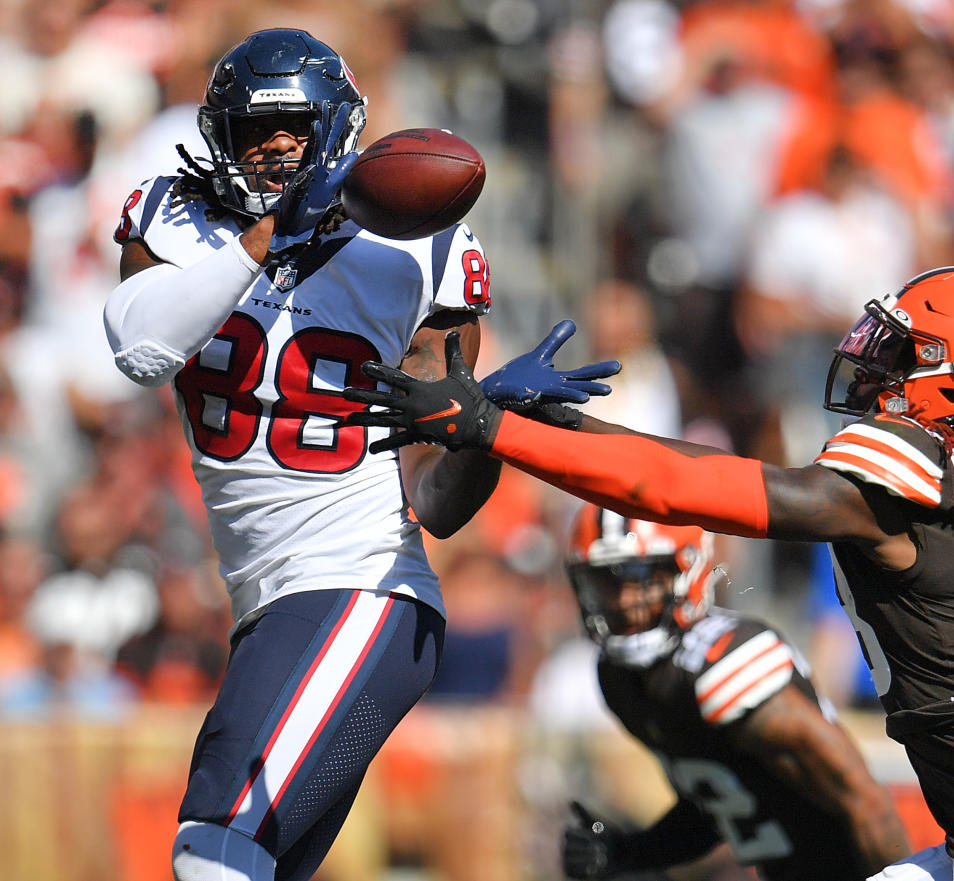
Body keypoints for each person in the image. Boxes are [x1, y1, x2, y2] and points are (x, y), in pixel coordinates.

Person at [343, 266, 954, 881]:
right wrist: (554, 428)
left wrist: (497, 430)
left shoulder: (909, 476)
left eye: (907, 351)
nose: (874, 363)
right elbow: (690, 470)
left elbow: (688, 487)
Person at [102, 28, 616, 881]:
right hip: (265, 604)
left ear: (338, 130)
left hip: (365, 585)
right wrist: (268, 238)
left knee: (213, 849)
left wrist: (485, 428)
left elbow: (441, 506)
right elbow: (139, 349)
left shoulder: (426, 248)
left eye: (298, 129)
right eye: (256, 131)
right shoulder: (173, 215)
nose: (276, 148)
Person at [558, 503, 910, 881]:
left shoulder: (726, 665)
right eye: (607, 582)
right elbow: (720, 805)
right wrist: (628, 851)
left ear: (686, 570)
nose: (625, 601)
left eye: (641, 577)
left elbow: (866, 801)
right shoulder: (621, 680)